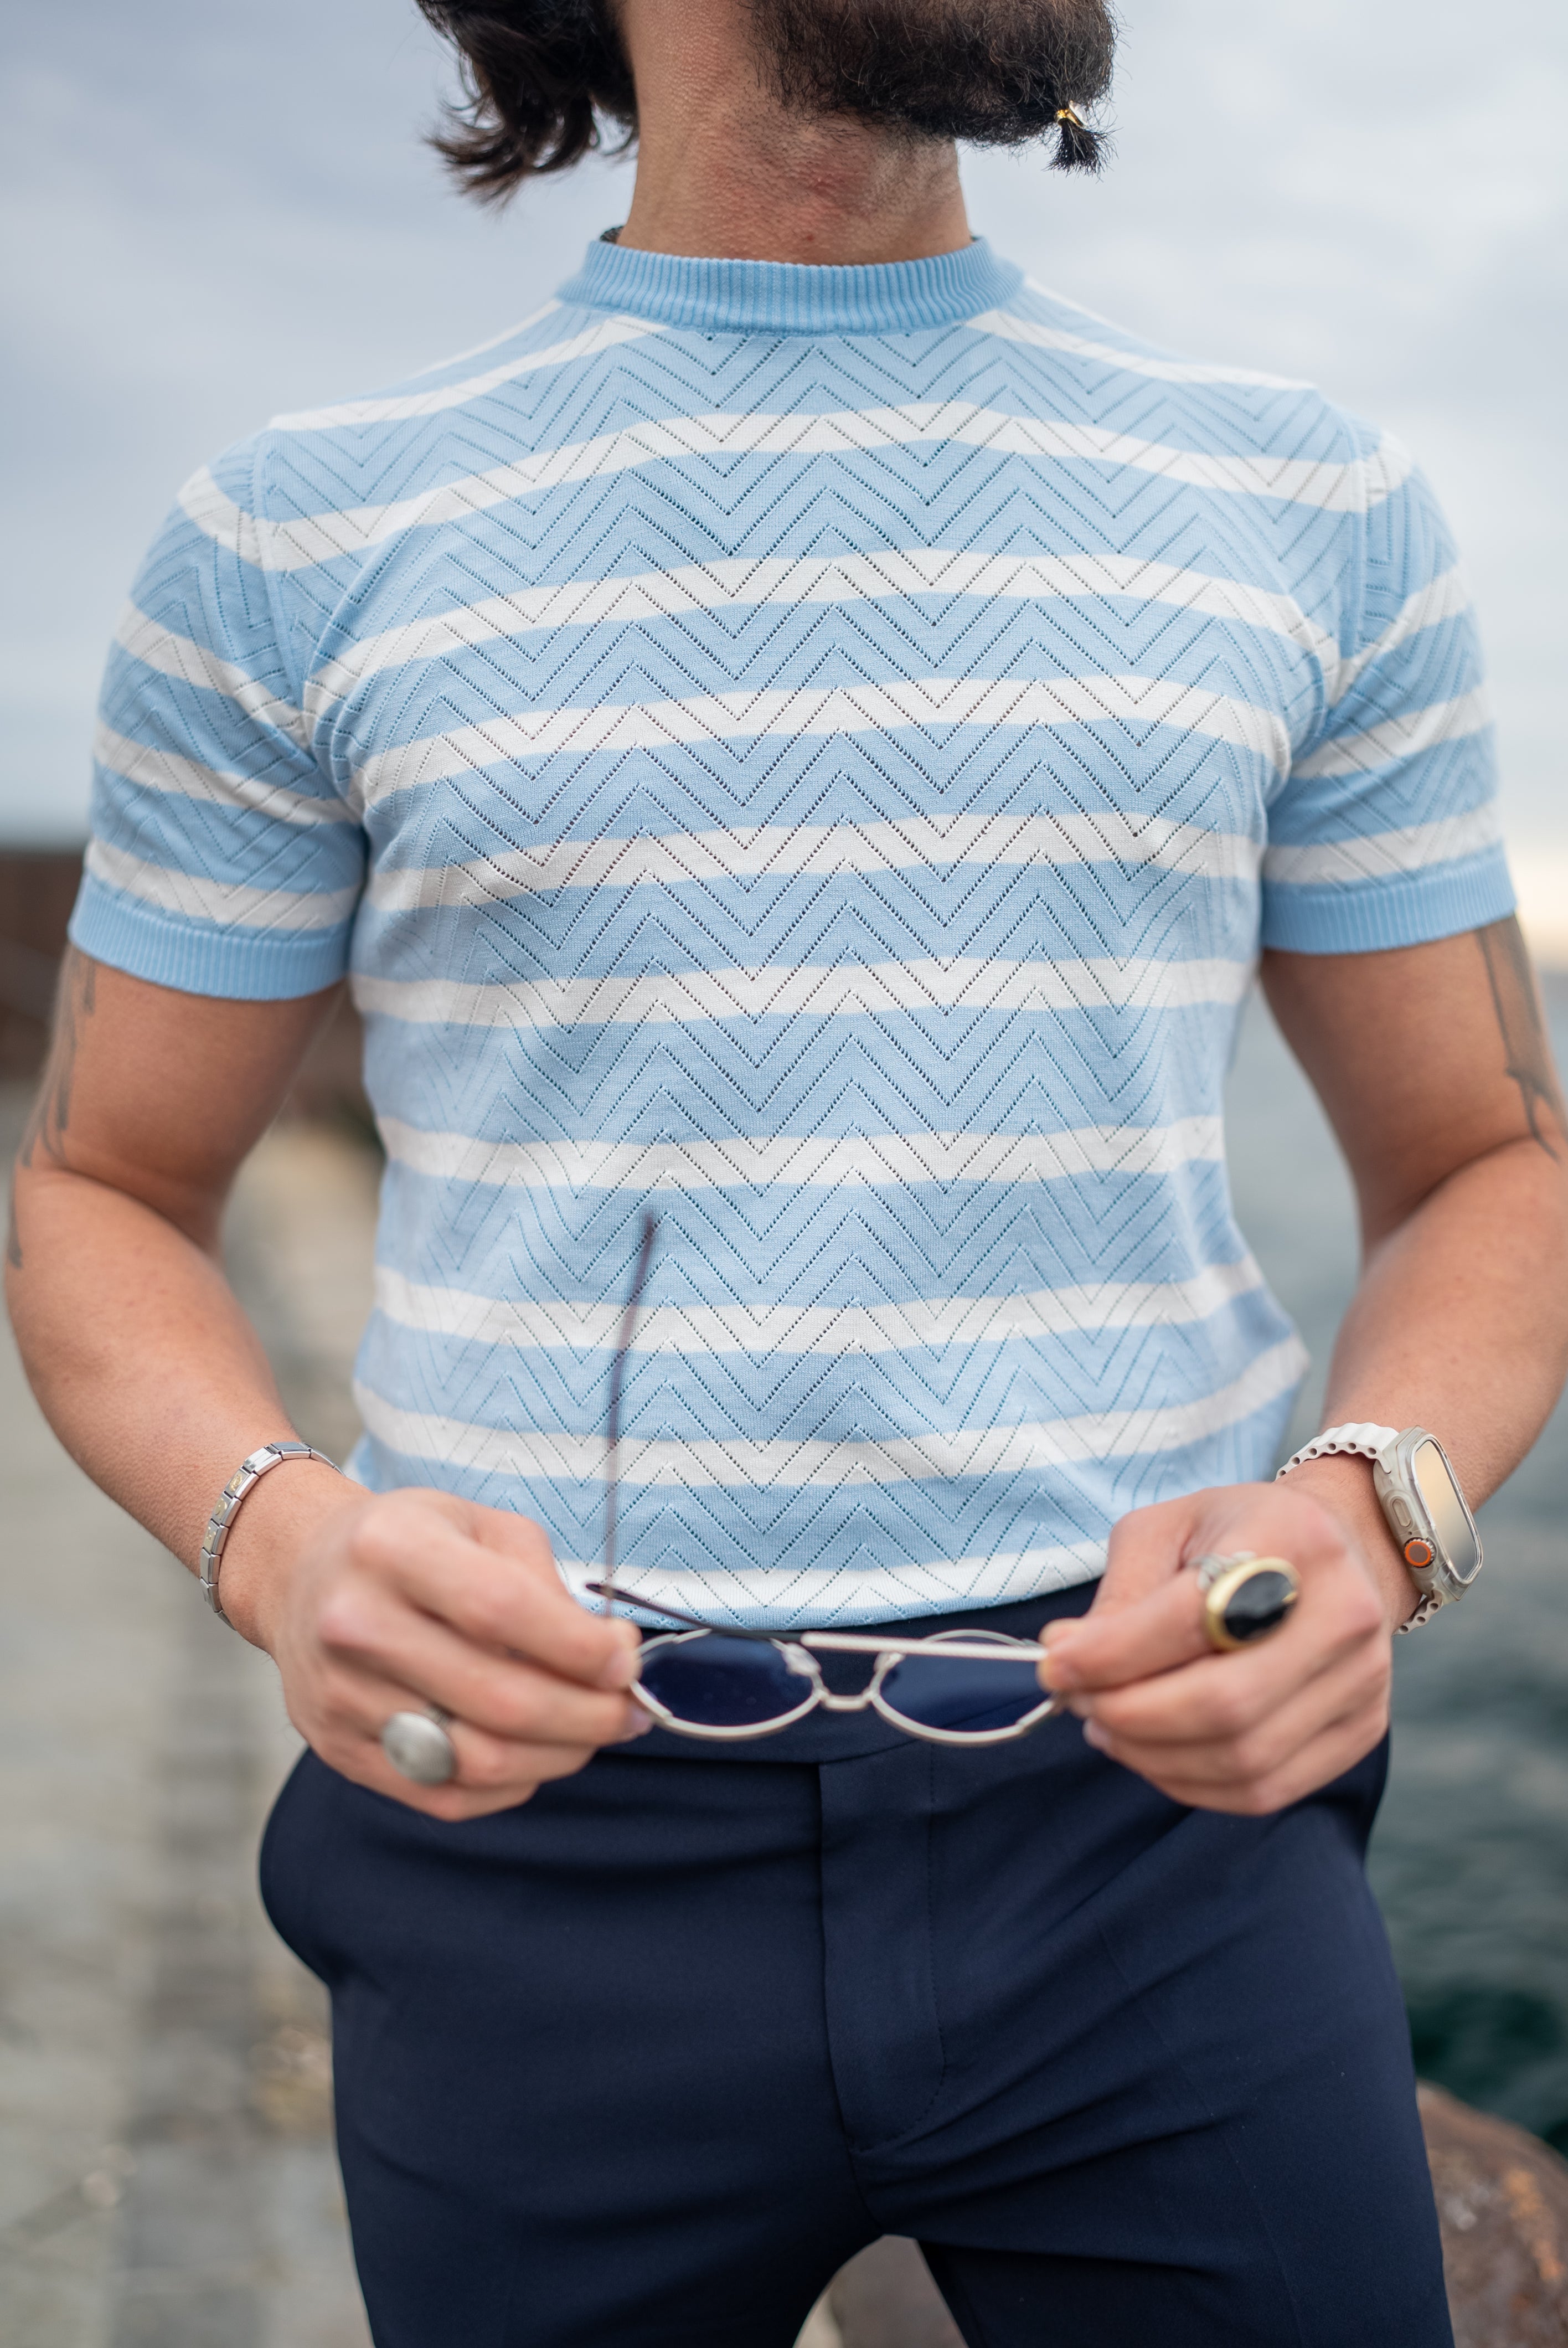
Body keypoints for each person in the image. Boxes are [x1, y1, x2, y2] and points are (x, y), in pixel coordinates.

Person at [9, 1, 1568, 2340]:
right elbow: (105, 1188)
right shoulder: (293, 535)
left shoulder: (1308, 500)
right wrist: (283, 1534)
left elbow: (1484, 1162)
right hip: (525, 1847)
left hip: (1164, 1839)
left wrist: (1361, 1513)